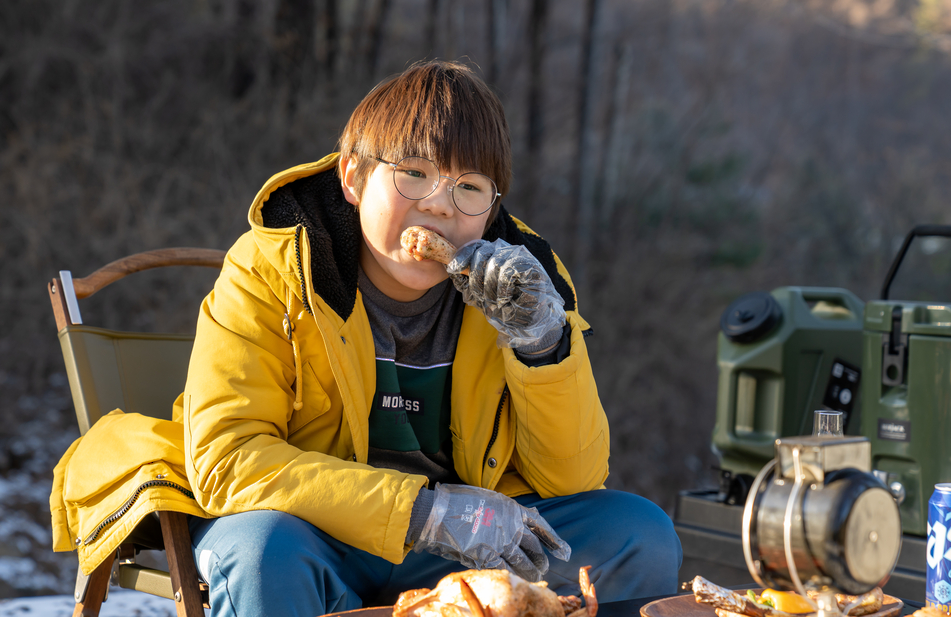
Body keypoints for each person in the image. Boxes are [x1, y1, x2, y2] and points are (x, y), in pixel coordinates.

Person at [175, 60, 681, 617]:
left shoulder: (524, 281)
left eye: (469, 187)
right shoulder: (275, 267)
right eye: (413, 173)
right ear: (353, 177)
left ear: (489, 214)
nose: (440, 205)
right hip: (315, 532)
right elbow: (230, 457)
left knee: (640, 533)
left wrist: (542, 345)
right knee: (260, 550)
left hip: (466, 545)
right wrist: (425, 511)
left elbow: (573, 480)